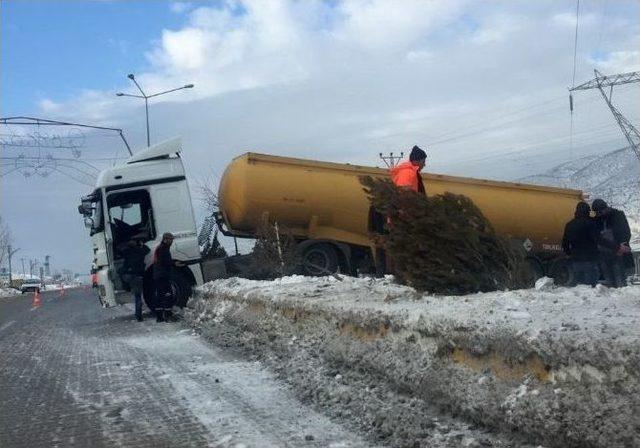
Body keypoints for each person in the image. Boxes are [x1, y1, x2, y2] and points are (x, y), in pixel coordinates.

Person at [592, 198, 633, 288]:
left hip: (619, 254)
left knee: (620, 281)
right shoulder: (596, 221)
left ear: (605, 208)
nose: (599, 214)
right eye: (597, 212)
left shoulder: (618, 215)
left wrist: (622, 247)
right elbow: (597, 238)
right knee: (609, 283)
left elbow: (626, 232)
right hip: (604, 255)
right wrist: (617, 247)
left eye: (600, 211)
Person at [561, 202, 599, 286]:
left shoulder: (569, 225)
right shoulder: (591, 223)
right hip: (590, 258)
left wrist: (568, 253)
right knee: (591, 285)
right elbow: (597, 239)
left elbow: (565, 242)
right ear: (587, 211)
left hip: (575, 258)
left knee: (579, 285)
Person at [153, 232, 184, 322]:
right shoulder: (163, 249)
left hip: (158, 275)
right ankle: (168, 316)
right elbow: (165, 261)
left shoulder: (161, 248)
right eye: (170, 239)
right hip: (162, 275)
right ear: (165, 239)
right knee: (168, 294)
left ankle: (159, 317)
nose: (172, 241)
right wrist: (174, 263)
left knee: (159, 295)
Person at [120, 238, 150, 321]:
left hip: (129, 275)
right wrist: (141, 244)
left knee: (136, 296)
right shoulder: (140, 251)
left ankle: (126, 287)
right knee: (138, 297)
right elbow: (148, 250)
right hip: (138, 276)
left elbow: (120, 252)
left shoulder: (127, 252)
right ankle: (139, 316)